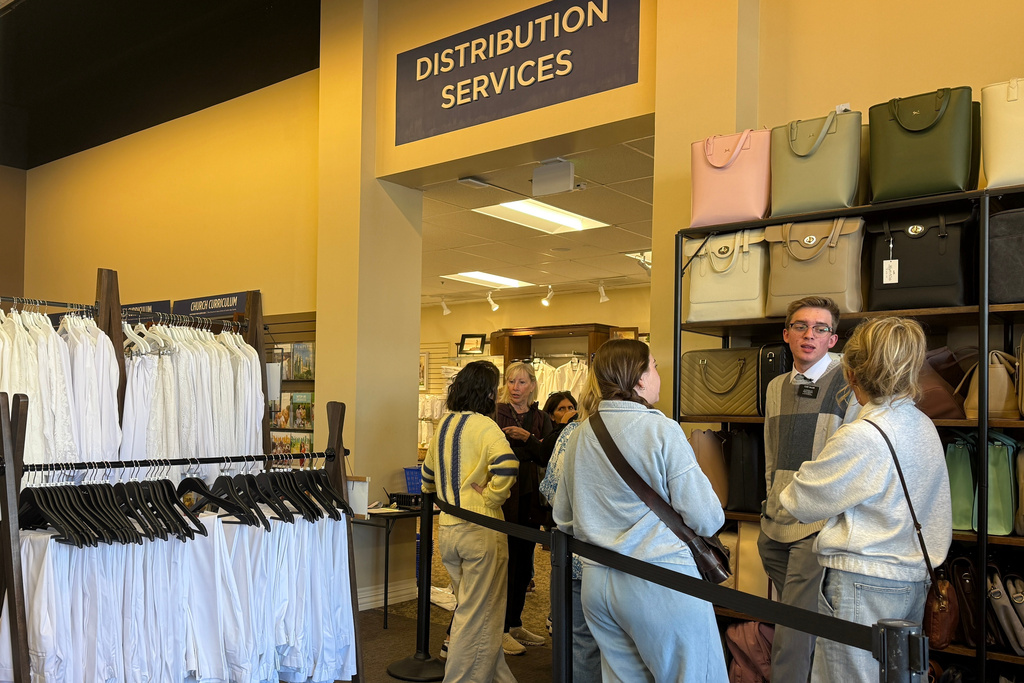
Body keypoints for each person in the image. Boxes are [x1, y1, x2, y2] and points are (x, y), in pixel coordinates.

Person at [780, 317, 953, 683]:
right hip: (913, 576)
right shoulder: (922, 425)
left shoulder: (862, 436)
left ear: (854, 373)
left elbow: (798, 500)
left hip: (862, 581)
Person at [552, 339, 728, 682]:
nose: (658, 373)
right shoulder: (661, 429)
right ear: (639, 379)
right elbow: (708, 517)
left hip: (599, 582)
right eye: (654, 366)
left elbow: (563, 518)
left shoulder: (580, 434)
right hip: (660, 579)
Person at [758, 295, 860, 683]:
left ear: (833, 340)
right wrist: (770, 501)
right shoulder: (776, 386)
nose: (809, 335)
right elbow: (771, 450)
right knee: (804, 617)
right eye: (800, 326)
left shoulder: (848, 383)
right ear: (786, 335)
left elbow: (848, 458)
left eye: (820, 328)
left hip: (817, 522)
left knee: (793, 626)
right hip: (775, 520)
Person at [421, 360, 520, 683]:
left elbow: (427, 477)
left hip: (449, 529)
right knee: (477, 615)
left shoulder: (444, 426)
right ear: (489, 392)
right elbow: (507, 465)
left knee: (477, 611)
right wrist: (492, 497)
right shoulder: (485, 426)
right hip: (482, 530)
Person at [539, 387, 601, 682]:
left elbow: (551, 491)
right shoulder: (651, 428)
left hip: (576, 554)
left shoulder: (571, 435)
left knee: (580, 641)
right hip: (627, 562)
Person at [495, 362, 554, 655]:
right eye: (511, 382)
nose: (515, 388)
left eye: (521, 382)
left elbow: (548, 455)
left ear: (532, 384)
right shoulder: (496, 413)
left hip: (531, 498)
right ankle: (500, 629)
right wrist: (530, 446)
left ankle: (515, 622)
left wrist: (527, 440)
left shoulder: (541, 417)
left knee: (524, 560)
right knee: (505, 562)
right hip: (505, 497)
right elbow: (496, 450)